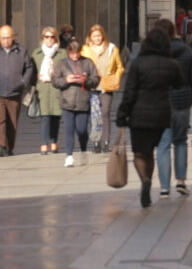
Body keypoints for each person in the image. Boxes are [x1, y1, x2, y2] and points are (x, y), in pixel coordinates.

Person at [117, 28, 184, 208]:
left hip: (139, 114)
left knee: (140, 152)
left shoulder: (138, 64)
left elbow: (129, 92)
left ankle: (144, 179)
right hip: (161, 114)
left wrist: (122, 114)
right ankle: (149, 181)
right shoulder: (171, 64)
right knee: (152, 152)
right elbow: (179, 83)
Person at [154, 19, 192, 198]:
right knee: (181, 141)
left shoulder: (155, 53)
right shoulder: (186, 51)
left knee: (163, 145)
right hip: (182, 102)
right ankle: (181, 181)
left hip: (161, 103)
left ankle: (164, 187)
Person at [0, 24, 35, 157]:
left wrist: (24, 81)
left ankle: (9, 146)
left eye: (9, 38)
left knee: (12, 121)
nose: (6, 41)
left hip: (15, 91)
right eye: (3, 38)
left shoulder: (21, 50)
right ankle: (0, 145)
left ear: (13, 37)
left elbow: (29, 67)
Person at [52, 38, 100, 167]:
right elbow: (55, 81)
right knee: (68, 129)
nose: (75, 55)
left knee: (82, 130)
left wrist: (85, 81)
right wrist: (67, 80)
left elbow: (96, 79)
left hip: (83, 102)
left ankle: (83, 149)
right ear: (68, 52)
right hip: (67, 101)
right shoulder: (62, 63)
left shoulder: (87, 62)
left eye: (77, 53)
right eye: (72, 53)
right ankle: (69, 156)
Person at [81, 24, 124, 154]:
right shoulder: (85, 50)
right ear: (90, 37)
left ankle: (106, 142)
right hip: (92, 86)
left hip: (107, 86)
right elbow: (82, 66)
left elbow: (120, 66)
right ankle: (96, 142)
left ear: (103, 35)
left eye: (99, 35)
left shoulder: (112, 49)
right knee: (95, 115)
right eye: (94, 36)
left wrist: (115, 77)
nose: (97, 38)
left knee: (105, 113)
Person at [31, 27, 64, 156]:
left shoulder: (62, 53)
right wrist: (35, 78)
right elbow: (31, 70)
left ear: (56, 38)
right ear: (42, 38)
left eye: (52, 37)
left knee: (56, 116)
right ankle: (44, 143)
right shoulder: (37, 53)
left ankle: (54, 141)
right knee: (44, 116)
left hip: (56, 88)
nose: (49, 39)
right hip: (43, 88)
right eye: (46, 37)